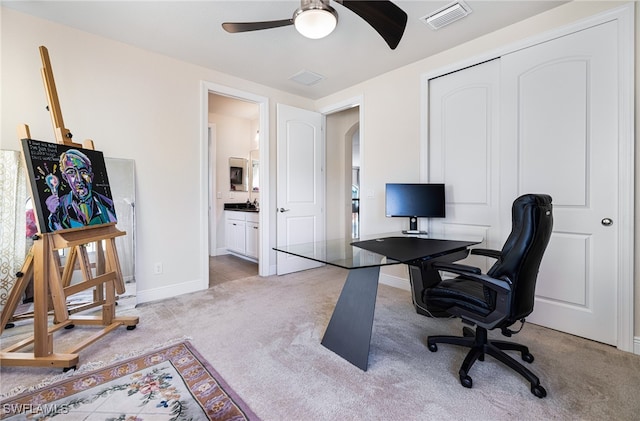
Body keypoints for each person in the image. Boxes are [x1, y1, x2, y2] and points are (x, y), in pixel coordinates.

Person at [45, 149, 117, 231]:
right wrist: (55, 215)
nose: (79, 179)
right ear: (65, 178)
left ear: (91, 176)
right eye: (71, 172)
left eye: (83, 172)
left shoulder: (108, 205)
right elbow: (58, 234)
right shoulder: (59, 207)